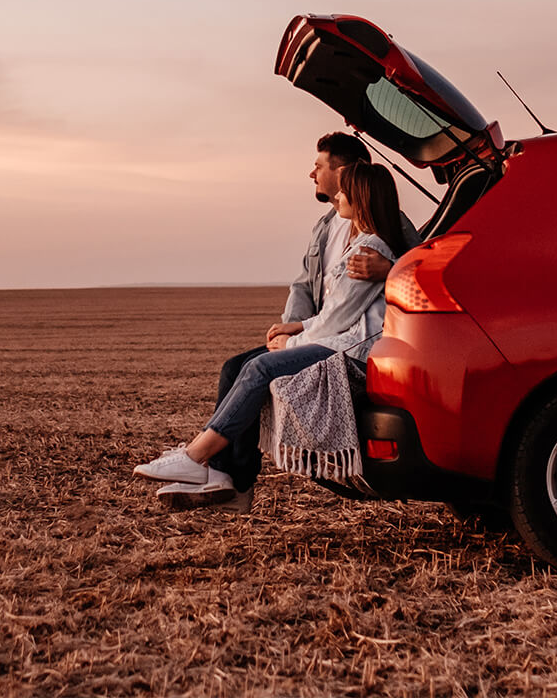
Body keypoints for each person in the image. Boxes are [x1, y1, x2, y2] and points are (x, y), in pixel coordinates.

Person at [133, 160, 409, 507]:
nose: (337, 196)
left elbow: (338, 320)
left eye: (344, 190)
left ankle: (194, 458)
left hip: (351, 350)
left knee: (261, 368)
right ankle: (216, 472)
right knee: (246, 366)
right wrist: (298, 327)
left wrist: (290, 344)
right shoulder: (360, 243)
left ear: (362, 196)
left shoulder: (371, 250)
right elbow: (336, 312)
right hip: (338, 338)